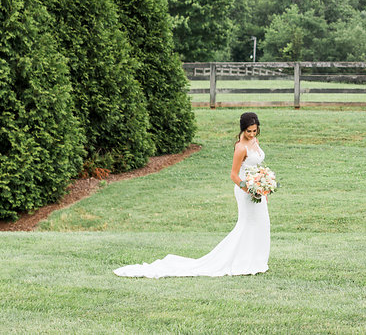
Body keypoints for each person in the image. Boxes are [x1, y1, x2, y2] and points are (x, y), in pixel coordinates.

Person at [114, 112, 271, 277]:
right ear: (243, 130)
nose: (252, 134)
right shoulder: (240, 147)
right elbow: (233, 175)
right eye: (249, 131)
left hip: (257, 189)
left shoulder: (255, 141)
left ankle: (256, 260)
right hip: (245, 190)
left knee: (262, 223)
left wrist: (263, 186)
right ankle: (242, 262)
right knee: (247, 224)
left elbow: (257, 166)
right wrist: (250, 189)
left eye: (254, 131)